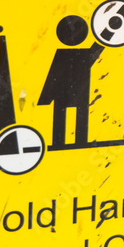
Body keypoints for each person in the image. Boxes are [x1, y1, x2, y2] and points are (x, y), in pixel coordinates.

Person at [38, 15, 103, 148]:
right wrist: (46, 97)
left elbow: (53, 75)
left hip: (76, 92)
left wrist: (45, 97)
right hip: (71, 92)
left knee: (72, 117)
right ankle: (64, 142)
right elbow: (54, 73)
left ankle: (63, 142)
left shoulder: (65, 53)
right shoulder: (67, 54)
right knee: (69, 117)